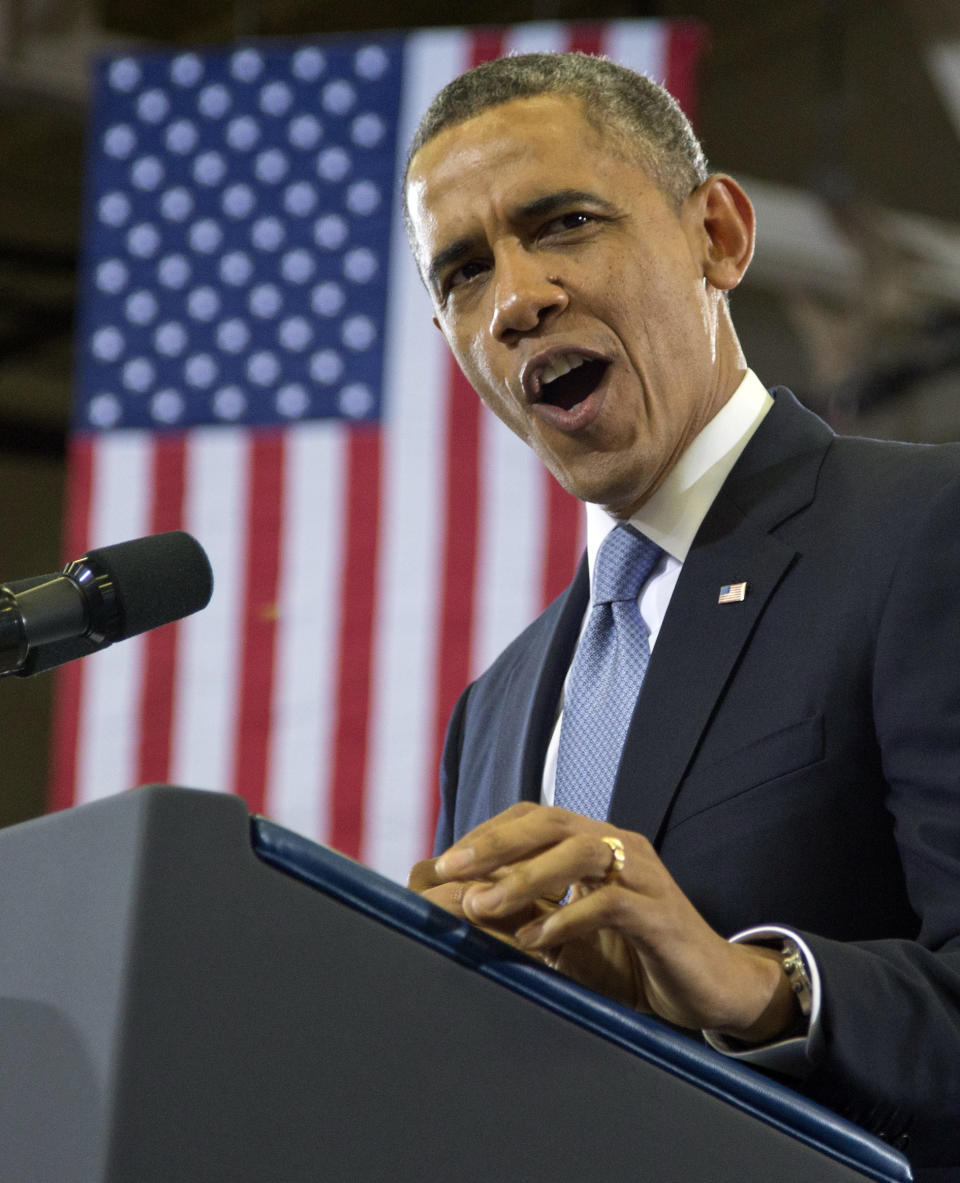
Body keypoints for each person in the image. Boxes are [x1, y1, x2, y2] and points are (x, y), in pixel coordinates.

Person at [402, 52, 960, 1177]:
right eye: (462, 273)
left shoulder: (922, 532)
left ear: (718, 235)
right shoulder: (495, 708)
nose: (514, 301)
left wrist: (758, 987)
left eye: (562, 222)